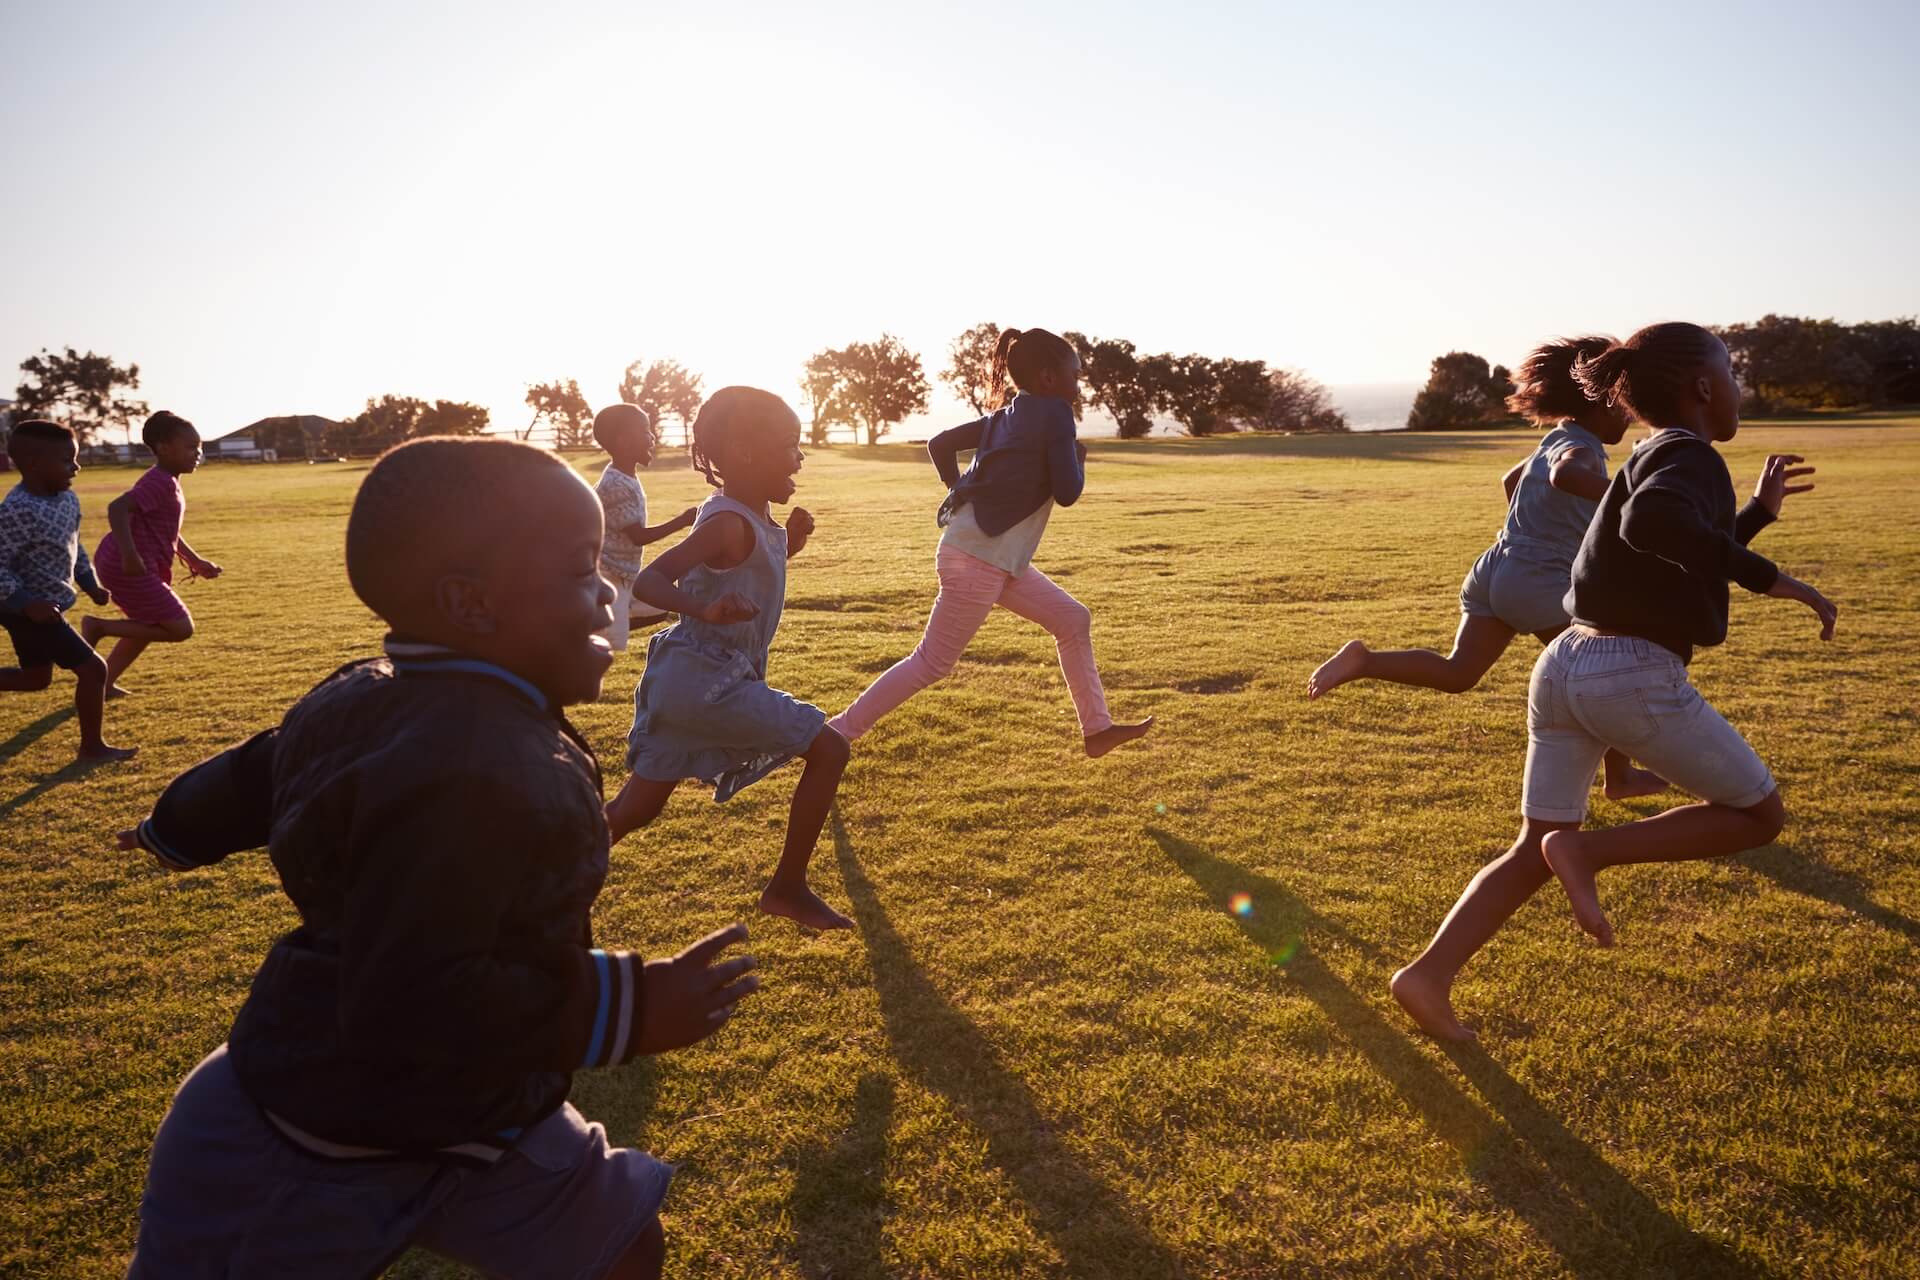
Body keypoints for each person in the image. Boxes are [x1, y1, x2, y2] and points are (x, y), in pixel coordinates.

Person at [120, 436, 759, 1278]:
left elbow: (259, 772)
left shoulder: (382, 695)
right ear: (470, 604)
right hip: (314, 1134)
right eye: (576, 570)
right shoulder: (469, 767)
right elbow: (413, 995)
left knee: (617, 1240)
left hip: (481, 1109)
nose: (604, 589)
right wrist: (624, 1007)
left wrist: (175, 827)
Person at [1390, 322, 1835, 1041]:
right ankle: (1586, 853)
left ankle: (1427, 975)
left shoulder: (1650, 453)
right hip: (1629, 672)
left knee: (1534, 840)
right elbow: (1659, 525)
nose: (1738, 389)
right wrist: (1776, 581)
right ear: (1701, 387)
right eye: (1731, 375)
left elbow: (1669, 549)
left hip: (1567, 662)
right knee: (1759, 816)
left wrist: (1756, 516)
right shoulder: (1687, 457)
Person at [1307, 336, 1663, 799]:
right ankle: (1621, 778)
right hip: (1538, 580)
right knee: (1605, 673)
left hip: (1497, 568)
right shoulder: (1583, 448)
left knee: (1459, 672)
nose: (1628, 414)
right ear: (1597, 402)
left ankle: (1364, 660)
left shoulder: (1557, 435)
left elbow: (1512, 480)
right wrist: (1627, 494)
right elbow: (1565, 476)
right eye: (1622, 405)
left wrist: (1535, 531)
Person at [827, 327, 1153, 758]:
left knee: (1073, 620)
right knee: (931, 663)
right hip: (979, 559)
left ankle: (1097, 730)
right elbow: (1069, 491)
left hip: (989, 556)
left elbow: (939, 444)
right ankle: (835, 735)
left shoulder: (1005, 416)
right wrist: (1078, 458)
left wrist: (957, 487)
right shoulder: (1055, 415)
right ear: (1047, 378)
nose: (1078, 385)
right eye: (1074, 376)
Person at [603, 387, 853, 931]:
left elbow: (753, 566)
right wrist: (705, 609)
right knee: (829, 748)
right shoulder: (726, 523)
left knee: (633, 811)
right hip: (705, 683)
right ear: (742, 452)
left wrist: (792, 542)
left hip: (689, 683)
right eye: (789, 444)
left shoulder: (751, 519)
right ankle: (787, 888)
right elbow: (650, 579)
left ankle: (541, 881)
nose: (799, 458)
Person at [0, 419, 133, 761]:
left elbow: (74, 547)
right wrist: (27, 603)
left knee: (35, 679)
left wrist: (90, 584)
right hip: (26, 610)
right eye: (67, 460)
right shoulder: (17, 510)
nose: (76, 466)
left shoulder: (67, 499)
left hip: (47, 606)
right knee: (94, 670)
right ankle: (92, 748)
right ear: (33, 464)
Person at [81, 410, 222, 696]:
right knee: (180, 628)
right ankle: (98, 627)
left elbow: (168, 531)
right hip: (127, 564)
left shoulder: (169, 481)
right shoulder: (159, 481)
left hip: (131, 562)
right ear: (163, 447)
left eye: (200, 447)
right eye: (191, 447)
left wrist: (195, 560)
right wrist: (130, 555)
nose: (198, 453)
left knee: (150, 623)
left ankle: (104, 685)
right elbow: (117, 508)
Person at [592, 403, 696, 651]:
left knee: (659, 603)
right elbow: (638, 536)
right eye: (645, 431)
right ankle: (590, 627)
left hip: (625, 573)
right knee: (609, 644)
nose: (652, 437)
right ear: (624, 441)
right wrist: (682, 520)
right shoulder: (615, 484)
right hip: (608, 576)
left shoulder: (626, 476)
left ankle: (603, 620)